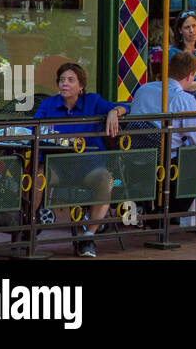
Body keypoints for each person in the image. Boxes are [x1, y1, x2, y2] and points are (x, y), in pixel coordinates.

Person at [32, 62, 127, 257]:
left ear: (81, 86)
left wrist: (112, 112)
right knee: (37, 175)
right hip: (57, 166)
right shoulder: (48, 104)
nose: (64, 84)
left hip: (88, 166)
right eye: (61, 80)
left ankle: (88, 237)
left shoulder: (93, 101)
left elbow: (125, 107)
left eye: (70, 80)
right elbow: (35, 129)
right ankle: (29, 229)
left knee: (105, 180)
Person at [130, 52, 196, 220]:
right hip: (167, 165)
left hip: (134, 158)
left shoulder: (144, 89)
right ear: (190, 75)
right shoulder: (184, 99)